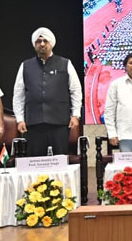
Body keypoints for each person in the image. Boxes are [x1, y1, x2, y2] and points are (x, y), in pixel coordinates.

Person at [13, 27, 82, 156]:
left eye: (45, 41)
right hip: (33, 124)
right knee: (35, 162)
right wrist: (20, 119)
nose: (42, 44)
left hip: (59, 123)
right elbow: (18, 95)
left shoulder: (65, 63)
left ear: (51, 43)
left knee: (60, 160)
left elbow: (75, 90)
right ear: (34, 44)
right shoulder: (25, 65)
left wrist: (75, 115)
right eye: (38, 41)